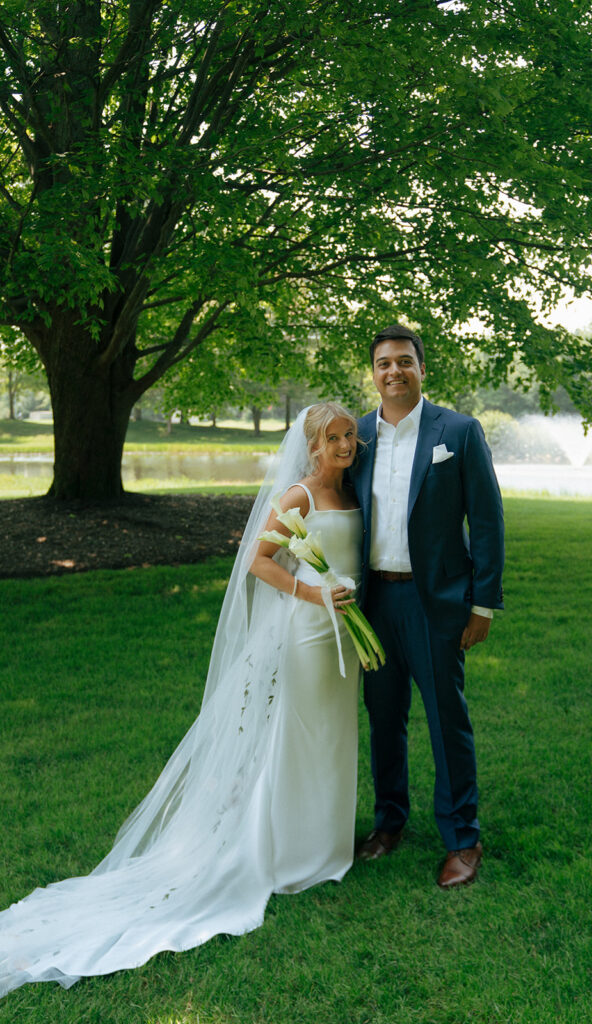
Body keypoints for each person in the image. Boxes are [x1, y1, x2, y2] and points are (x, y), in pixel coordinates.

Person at [0, 402, 362, 997]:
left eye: (350, 435)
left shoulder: (352, 493)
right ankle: (285, 852)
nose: (346, 444)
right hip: (305, 632)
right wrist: (310, 591)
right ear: (312, 444)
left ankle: (326, 845)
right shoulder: (297, 496)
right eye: (334, 437)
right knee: (294, 737)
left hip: (344, 637)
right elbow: (259, 562)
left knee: (332, 734)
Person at [351, 325, 504, 889]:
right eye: (384, 363)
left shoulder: (458, 432)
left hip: (435, 600)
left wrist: (483, 602)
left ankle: (463, 839)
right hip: (374, 602)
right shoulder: (358, 436)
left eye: (405, 362)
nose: (394, 371)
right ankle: (389, 823)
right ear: (373, 372)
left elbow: (486, 521)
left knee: (447, 720)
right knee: (384, 719)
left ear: (421, 368)